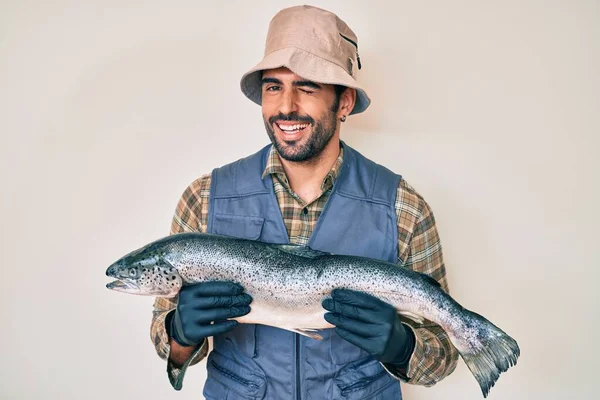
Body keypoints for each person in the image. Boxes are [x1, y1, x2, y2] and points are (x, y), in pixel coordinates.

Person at [151, 5, 458, 399]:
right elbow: (168, 345)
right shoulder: (203, 198)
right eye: (273, 86)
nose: (285, 106)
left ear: (344, 102)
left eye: (307, 87)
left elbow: (443, 353)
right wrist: (179, 332)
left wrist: (403, 347)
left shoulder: (404, 207)